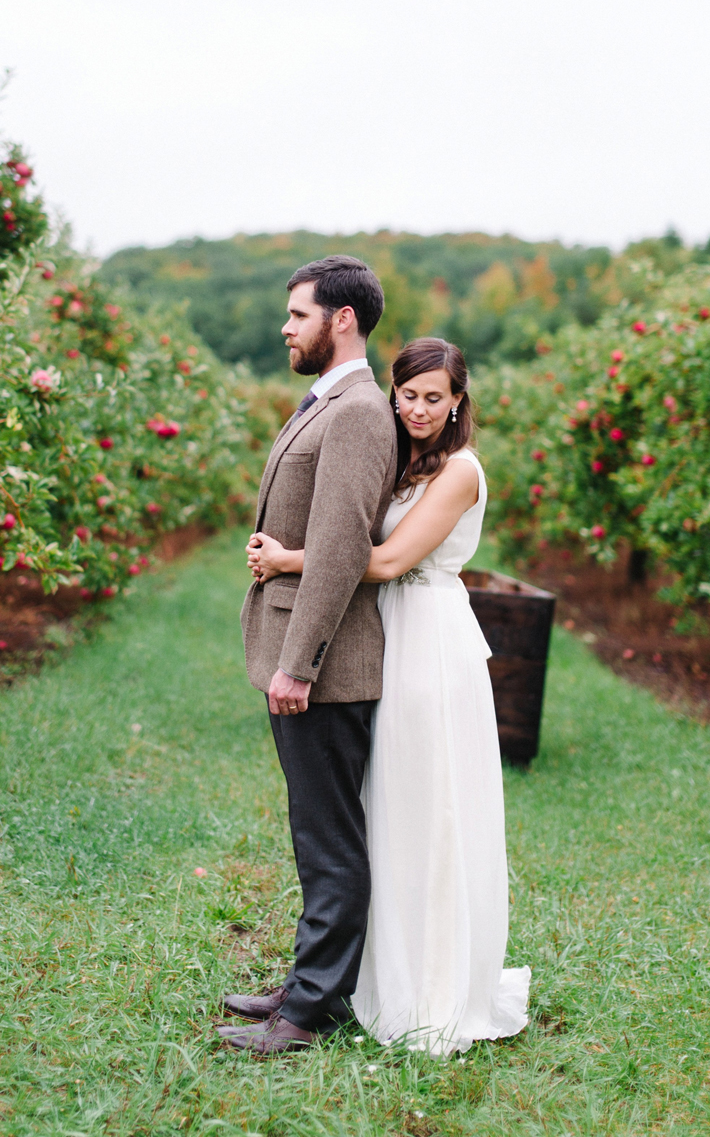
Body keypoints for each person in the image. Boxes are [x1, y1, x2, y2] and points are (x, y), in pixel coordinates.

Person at [246, 337, 531, 1056]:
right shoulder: (407, 462)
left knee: (426, 809)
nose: (418, 408)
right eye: (408, 394)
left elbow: (390, 558)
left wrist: (288, 559)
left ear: (458, 401)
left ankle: (427, 988)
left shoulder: (461, 470)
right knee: (377, 812)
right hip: (385, 637)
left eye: (435, 397)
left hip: (430, 643)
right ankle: (351, 977)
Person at [218, 256, 397, 1055]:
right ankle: (306, 980)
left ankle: (313, 1009)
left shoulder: (357, 410)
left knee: (329, 839)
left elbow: (336, 548)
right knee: (313, 829)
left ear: (343, 319)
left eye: (298, 315)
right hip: (301, 658)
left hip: (325, 668)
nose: (286, 328)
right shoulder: (329, 402)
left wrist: (301, 663)